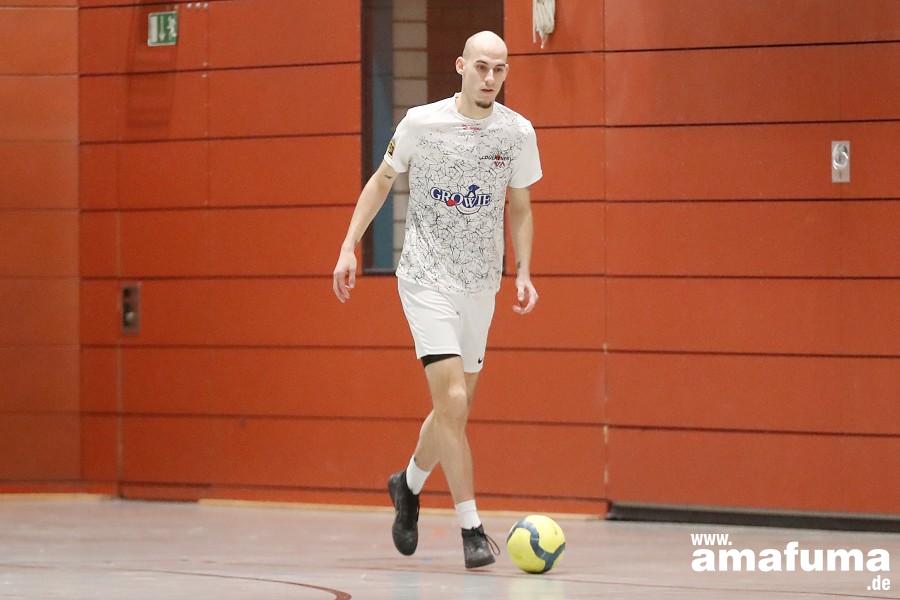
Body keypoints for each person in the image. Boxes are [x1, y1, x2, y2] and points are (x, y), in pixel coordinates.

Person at [332, 30, 542, 569]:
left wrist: (523, 270)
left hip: (481, 285)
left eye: (500, 69)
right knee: (451, 398)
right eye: (481, 67)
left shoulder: (517, 133)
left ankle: (407, 484)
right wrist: (349, 245)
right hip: (425, 278)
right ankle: (471, 528)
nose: (490, 78)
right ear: (461, 66)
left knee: (455, 408)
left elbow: (520, 206)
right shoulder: (422, 124)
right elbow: (382, 180)